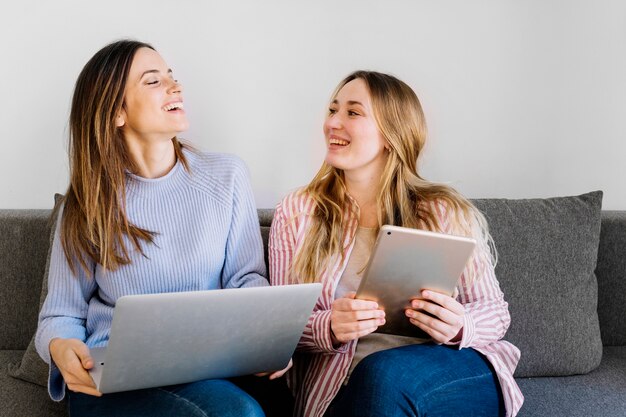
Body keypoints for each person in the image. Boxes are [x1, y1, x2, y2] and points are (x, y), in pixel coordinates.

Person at [35, 39, 288, 417]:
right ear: (117, 111)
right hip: (112, 384)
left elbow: (246, 281)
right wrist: (60, 346)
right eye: (154, 81)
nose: (176, 87)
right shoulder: (86, 205)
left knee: (241, 410)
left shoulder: (227, 177)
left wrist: (266, 337)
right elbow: (60, 315)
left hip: (205, 369)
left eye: (172, 76)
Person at [268, 70, 524, 417]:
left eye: (352, 112)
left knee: (385, 372)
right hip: (347, 389)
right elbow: (279, 330)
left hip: (444, 371)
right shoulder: (298, 211)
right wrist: (329, 326)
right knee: (376, 376)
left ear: (391, 134)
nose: (333, 123)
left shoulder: (441, 211)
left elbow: (495, 312)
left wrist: (460, 324)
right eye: (333, 110)